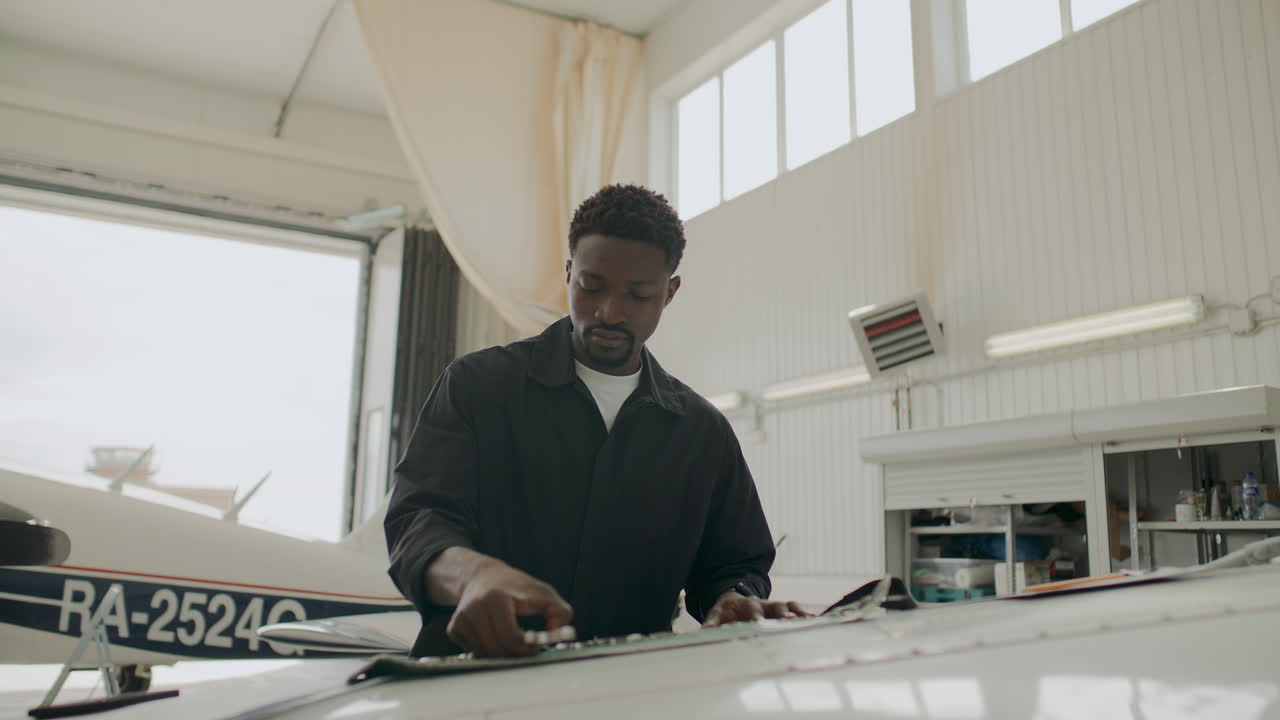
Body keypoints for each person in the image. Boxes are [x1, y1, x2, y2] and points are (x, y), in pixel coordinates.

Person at [385, 184, 805, 658]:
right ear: (569, 273)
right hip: (470, 683)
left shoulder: (702, 434)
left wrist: (736, 601)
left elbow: (736, 563)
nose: (609, 312)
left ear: (670, 292)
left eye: (638, 295)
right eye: (592, 287)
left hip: (622, 692)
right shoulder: (477, 387)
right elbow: (418, 523)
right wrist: (475, 576)